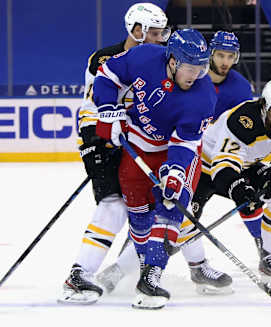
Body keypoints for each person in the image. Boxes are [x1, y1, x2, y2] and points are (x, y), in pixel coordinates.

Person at [95, 30, 253, 296]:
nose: (195, 75)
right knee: (142, 216)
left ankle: (154, 275)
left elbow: (186, 142)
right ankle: (130, 268)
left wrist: (176, 172)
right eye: (190, 68)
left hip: (182, 150)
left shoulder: (204, 96)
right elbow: (108, 74)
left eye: (201, 68)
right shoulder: (144, 56)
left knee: (173, 210)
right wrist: (108, 110)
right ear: (171, 61)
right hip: (142, 145)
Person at [58, 2, 171, 305]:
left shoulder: (164, 59)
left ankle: (127, 268)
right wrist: (93, 139)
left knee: (157, 211)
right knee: (113, 204)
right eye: (155, 32)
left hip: (145, 143)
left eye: (163, 32)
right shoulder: (104, 59)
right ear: (137, 30)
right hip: (107, 139)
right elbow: (92, 104)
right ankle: (81, 272)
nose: (161, 38)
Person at [188, 78, 271, 291]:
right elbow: (223, 166)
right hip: (203, 166)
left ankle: (270, 259)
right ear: (264, 106)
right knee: (185, 217)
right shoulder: (243, 120)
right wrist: (239, 189)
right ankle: (197, 267)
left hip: (244, 165)